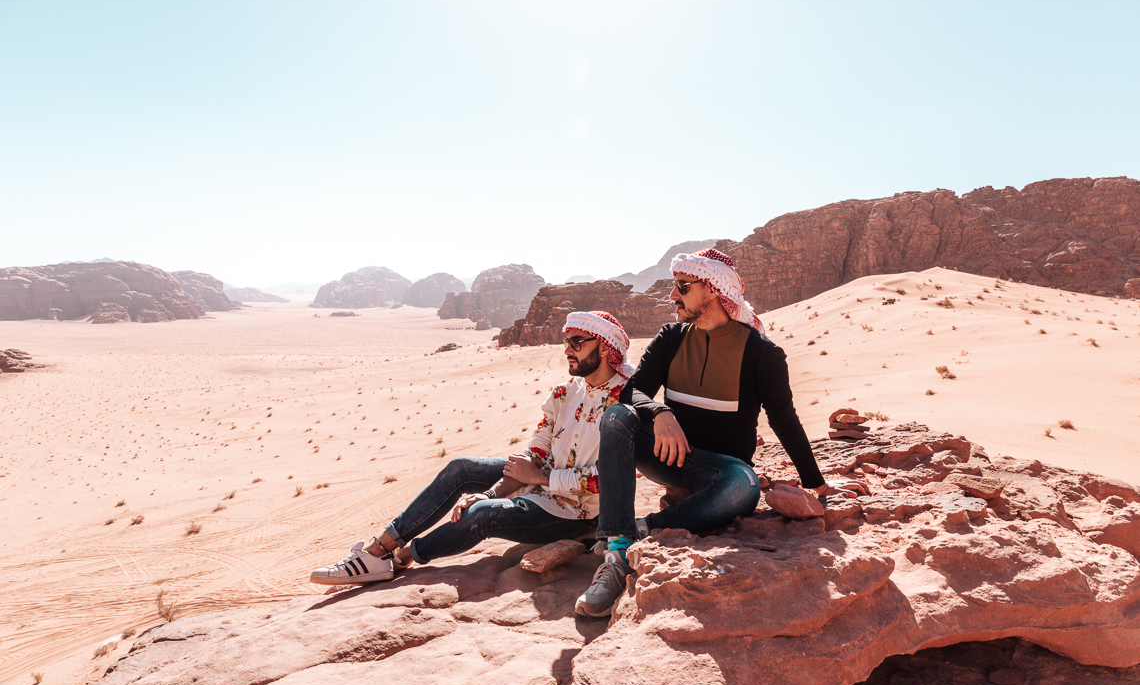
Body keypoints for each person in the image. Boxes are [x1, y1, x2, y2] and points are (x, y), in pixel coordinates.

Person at [575, 248, 868, 617]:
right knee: (617, 416)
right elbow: (634, 392)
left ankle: (642, 530)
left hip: (721, 471)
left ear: (711, 291)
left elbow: (784, 419)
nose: (672, 296)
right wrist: (660, 411)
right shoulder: (671, 337)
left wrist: (819, 485)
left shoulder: (762, 354)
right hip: (666, 455)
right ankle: (616, 547)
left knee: (742, 486)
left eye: (682, 286)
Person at [310, 311, 635, 586]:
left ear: (605, 348)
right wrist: (494, 492)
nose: (568, 349)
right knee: (462, 467)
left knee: (480, 516)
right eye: (566, 341)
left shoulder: (627, 402)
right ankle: (380, 547)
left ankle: (399, 560)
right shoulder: (565, 393)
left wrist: (539, 479)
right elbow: (535, 453)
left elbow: (610, 480)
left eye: (577, 342)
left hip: (576, 512)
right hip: (539, 483)